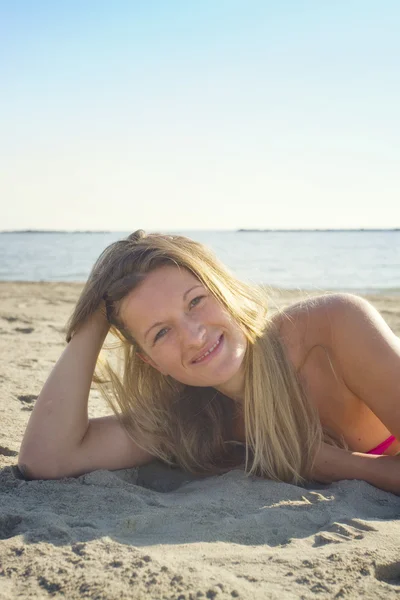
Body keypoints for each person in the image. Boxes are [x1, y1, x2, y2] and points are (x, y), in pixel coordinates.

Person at [18, 230, 400, 495]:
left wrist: (332, 463)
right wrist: (94, 318)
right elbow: (46, 459)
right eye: (161, 333)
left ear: (225, 290)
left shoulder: (331, 327)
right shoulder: (194, 419)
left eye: (196, 301)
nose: (195, 335)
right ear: (151, 362)